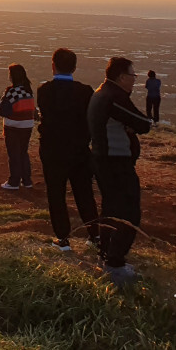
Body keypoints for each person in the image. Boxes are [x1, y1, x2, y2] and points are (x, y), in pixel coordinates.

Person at [88, 57, 151, 285]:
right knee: (129, 212)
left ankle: (106, 256)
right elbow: (143, 123)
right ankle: (114, 263)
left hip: (104, 160)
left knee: (111, 208)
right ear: (122, 77)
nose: (134, 81)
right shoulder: (114, 97)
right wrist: (135, 126)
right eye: (133, 76)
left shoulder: (101, 92)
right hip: (114, 162)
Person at [36, 48, 100, 251]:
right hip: (80, 151)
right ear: (74, 67)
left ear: (53, 65)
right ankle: (95, 235)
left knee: (56, 194)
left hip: (53, 151)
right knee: (84, 193)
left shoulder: (44, 91)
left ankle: (62, 239)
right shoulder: (86, 91)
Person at [0, 64, 36, 190]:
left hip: (13, 126)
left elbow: (3, 111)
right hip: (28, 126)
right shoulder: (28, 91)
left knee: (14, 154)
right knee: (23, 152)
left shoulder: (11, 92)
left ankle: (14, 182)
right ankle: (27, 180)